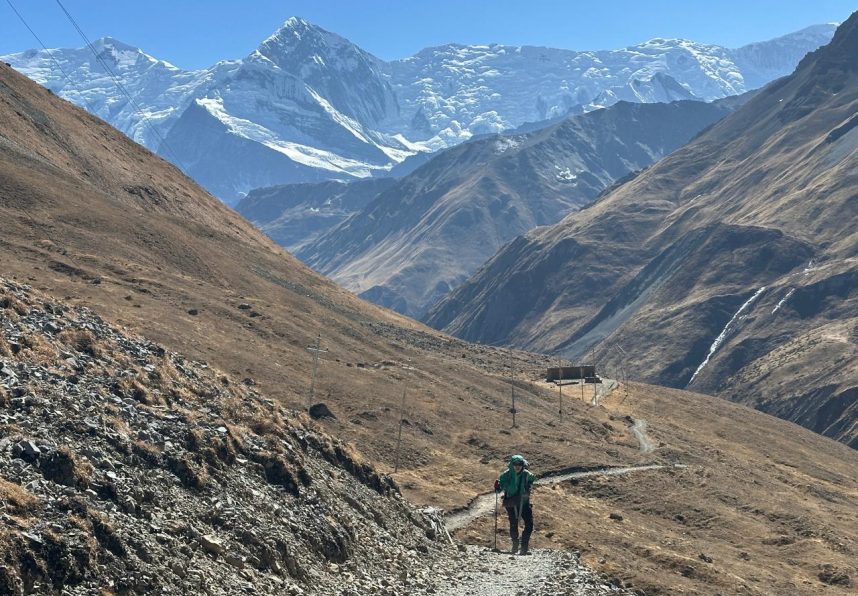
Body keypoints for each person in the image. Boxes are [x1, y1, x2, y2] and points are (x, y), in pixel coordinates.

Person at [494, 454, 536, 554]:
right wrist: (498, 487)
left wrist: (529, 485)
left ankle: (523, 548)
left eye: (520, 464)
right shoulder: (506, 475)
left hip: (524, 502)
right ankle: (515, 546)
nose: (517, 466)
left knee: (529, 524)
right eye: (515, 464)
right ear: (511, 465)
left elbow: (532, 479)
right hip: (511, 503)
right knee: (513, 524)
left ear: (523, 464)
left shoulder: (527, 474)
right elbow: (500, 489)